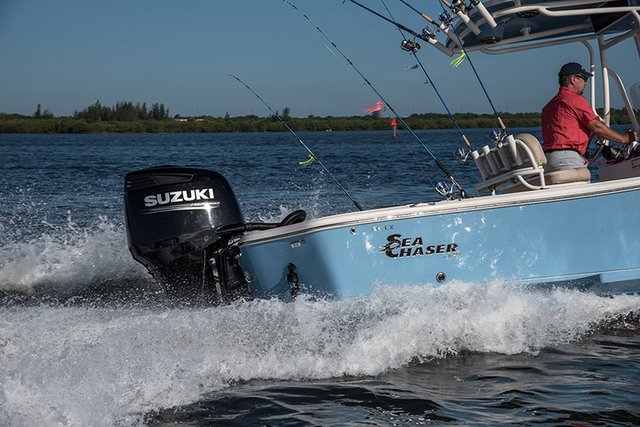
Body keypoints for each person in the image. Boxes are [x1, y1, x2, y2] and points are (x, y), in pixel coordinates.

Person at [541, 62, 638, 172]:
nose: (586, 83)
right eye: (584, 78)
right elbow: (597, 127)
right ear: (573, 79)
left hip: (548, 161)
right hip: (567, 160)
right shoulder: (574, 99)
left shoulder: (548, 107)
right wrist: (624, 138)